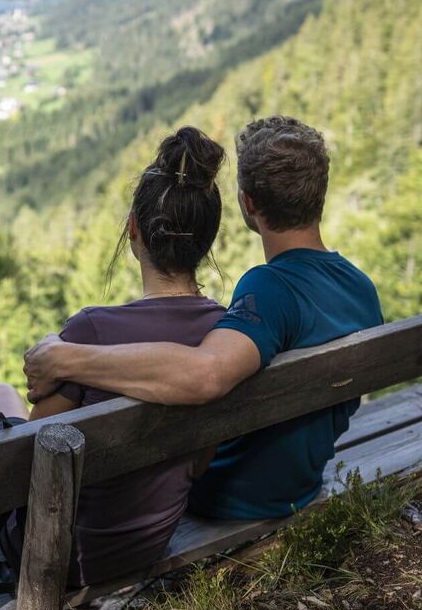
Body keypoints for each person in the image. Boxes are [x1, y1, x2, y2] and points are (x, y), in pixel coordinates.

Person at [24, 115, 384, 520]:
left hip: (232, 500)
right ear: (320, 193)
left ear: (248, 202)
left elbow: (205, 375)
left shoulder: (270, 288)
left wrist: (67, 358)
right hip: (302, 484)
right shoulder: (360, 285)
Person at [0, 127, 228, 587]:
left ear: (134, 229)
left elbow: (32, 459)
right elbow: (198, 463)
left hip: (64, 557)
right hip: (150, 540)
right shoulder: (223, 336)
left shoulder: (89, 333)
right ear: (207, 239)